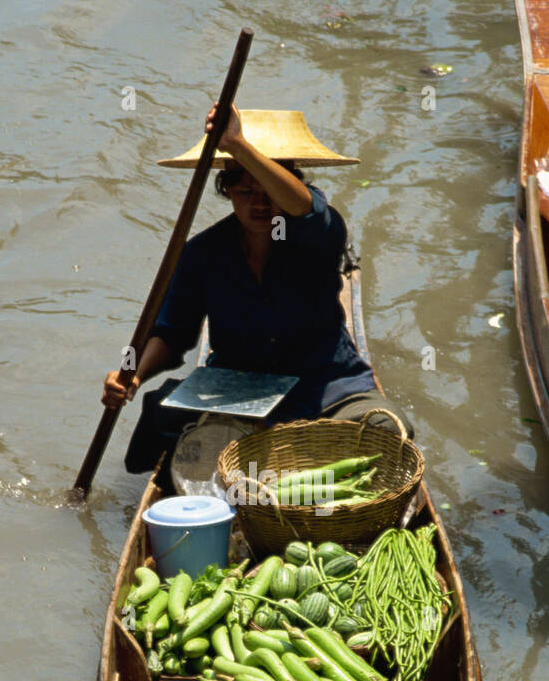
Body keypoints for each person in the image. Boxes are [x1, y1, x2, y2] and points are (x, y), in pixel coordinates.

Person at [101, 105, 409, 468]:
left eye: (269, 190)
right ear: (227, 191)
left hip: (326, 386)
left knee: (384, 432)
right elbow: (171, 334)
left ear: (291, 186)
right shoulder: (203, 253)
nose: (259, 203)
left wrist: (236, 144)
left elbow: (307, 209)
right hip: (237, 392)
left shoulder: (320, 233)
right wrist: (131, 374)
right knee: (195, 445)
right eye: (245, 191)